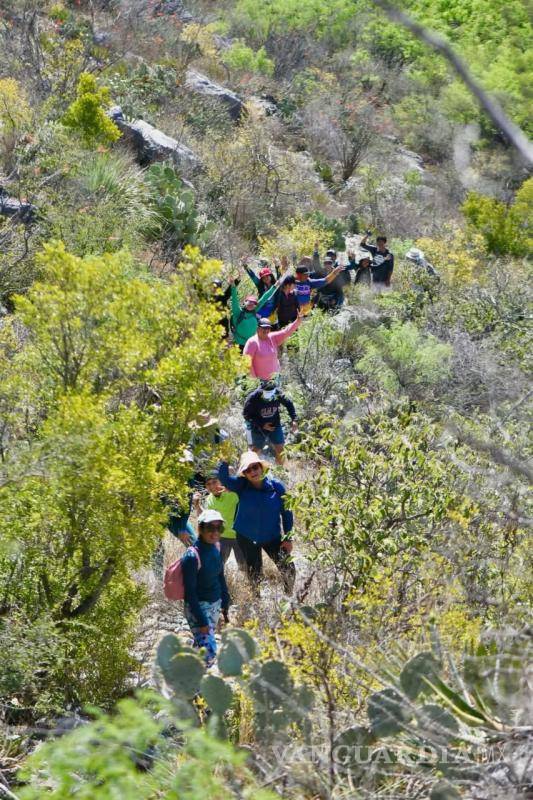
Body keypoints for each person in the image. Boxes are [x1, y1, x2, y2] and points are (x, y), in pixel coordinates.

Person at [218, 452, 295, 591]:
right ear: (244, 474)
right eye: (248, 470)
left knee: (288, 569)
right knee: (255, 573)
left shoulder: (277, 487)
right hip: (247, 537)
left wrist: (288, 537)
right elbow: (223, 478)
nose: (252, 472)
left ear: (261, 467)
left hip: (272, 537)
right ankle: (257, 599)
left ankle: (290, 598)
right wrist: (225, 456)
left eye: (255, 467)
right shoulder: (241, 485)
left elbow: (287, 513)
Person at [182, 509, 230, 665]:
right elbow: (189, 593)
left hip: (215, 604)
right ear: (200, 529)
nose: (215, 532)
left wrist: (225, 598)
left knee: (201, 647)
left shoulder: (216, 547)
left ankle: (188, 675)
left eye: (219, 528)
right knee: (209, 654)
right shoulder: (191, 556)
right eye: (210, 528)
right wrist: (202, 621)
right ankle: (196, 687)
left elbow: (220, 575)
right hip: (199, 608)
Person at [193, 472, 245, 570]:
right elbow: (206, 518)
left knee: (244, 568)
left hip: (240, 537)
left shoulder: (233, 493)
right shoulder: (209, 499)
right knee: (218, 567)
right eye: (208, 484)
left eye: (215, 482)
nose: (212, 486)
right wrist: (197, 505)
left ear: (221, 481)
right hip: (222, 537)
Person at [243, 380, 297, 465]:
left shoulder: (278, 393)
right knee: (256, 450)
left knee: (280, 449)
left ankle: (279, 471)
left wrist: (294, 419)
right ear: (262, 390)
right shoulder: (253, 397)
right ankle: (248, 470)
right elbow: (246, 415)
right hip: (258, 428)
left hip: (274, 425)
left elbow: (289, 404)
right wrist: (262, 425)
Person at [242, 310, 303, 381]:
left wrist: (297, 321)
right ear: (258, 328)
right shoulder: (252, 342)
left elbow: (286, 332)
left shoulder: (272, 337)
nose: (266, 330)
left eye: (268, 328)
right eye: (263, 328)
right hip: (260, 382)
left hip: (275, 378)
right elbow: (247, 363)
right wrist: (254, 381)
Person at [229, 276, 280, 350]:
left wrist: (274, 287)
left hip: (251, 344)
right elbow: (234, 300)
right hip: (239, 344)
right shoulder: (238, 312)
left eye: (253, 303)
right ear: (244, 303)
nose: (251, 304)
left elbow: (264, 298)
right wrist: (233, 286)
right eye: (249, 302)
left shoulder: (254, 310)